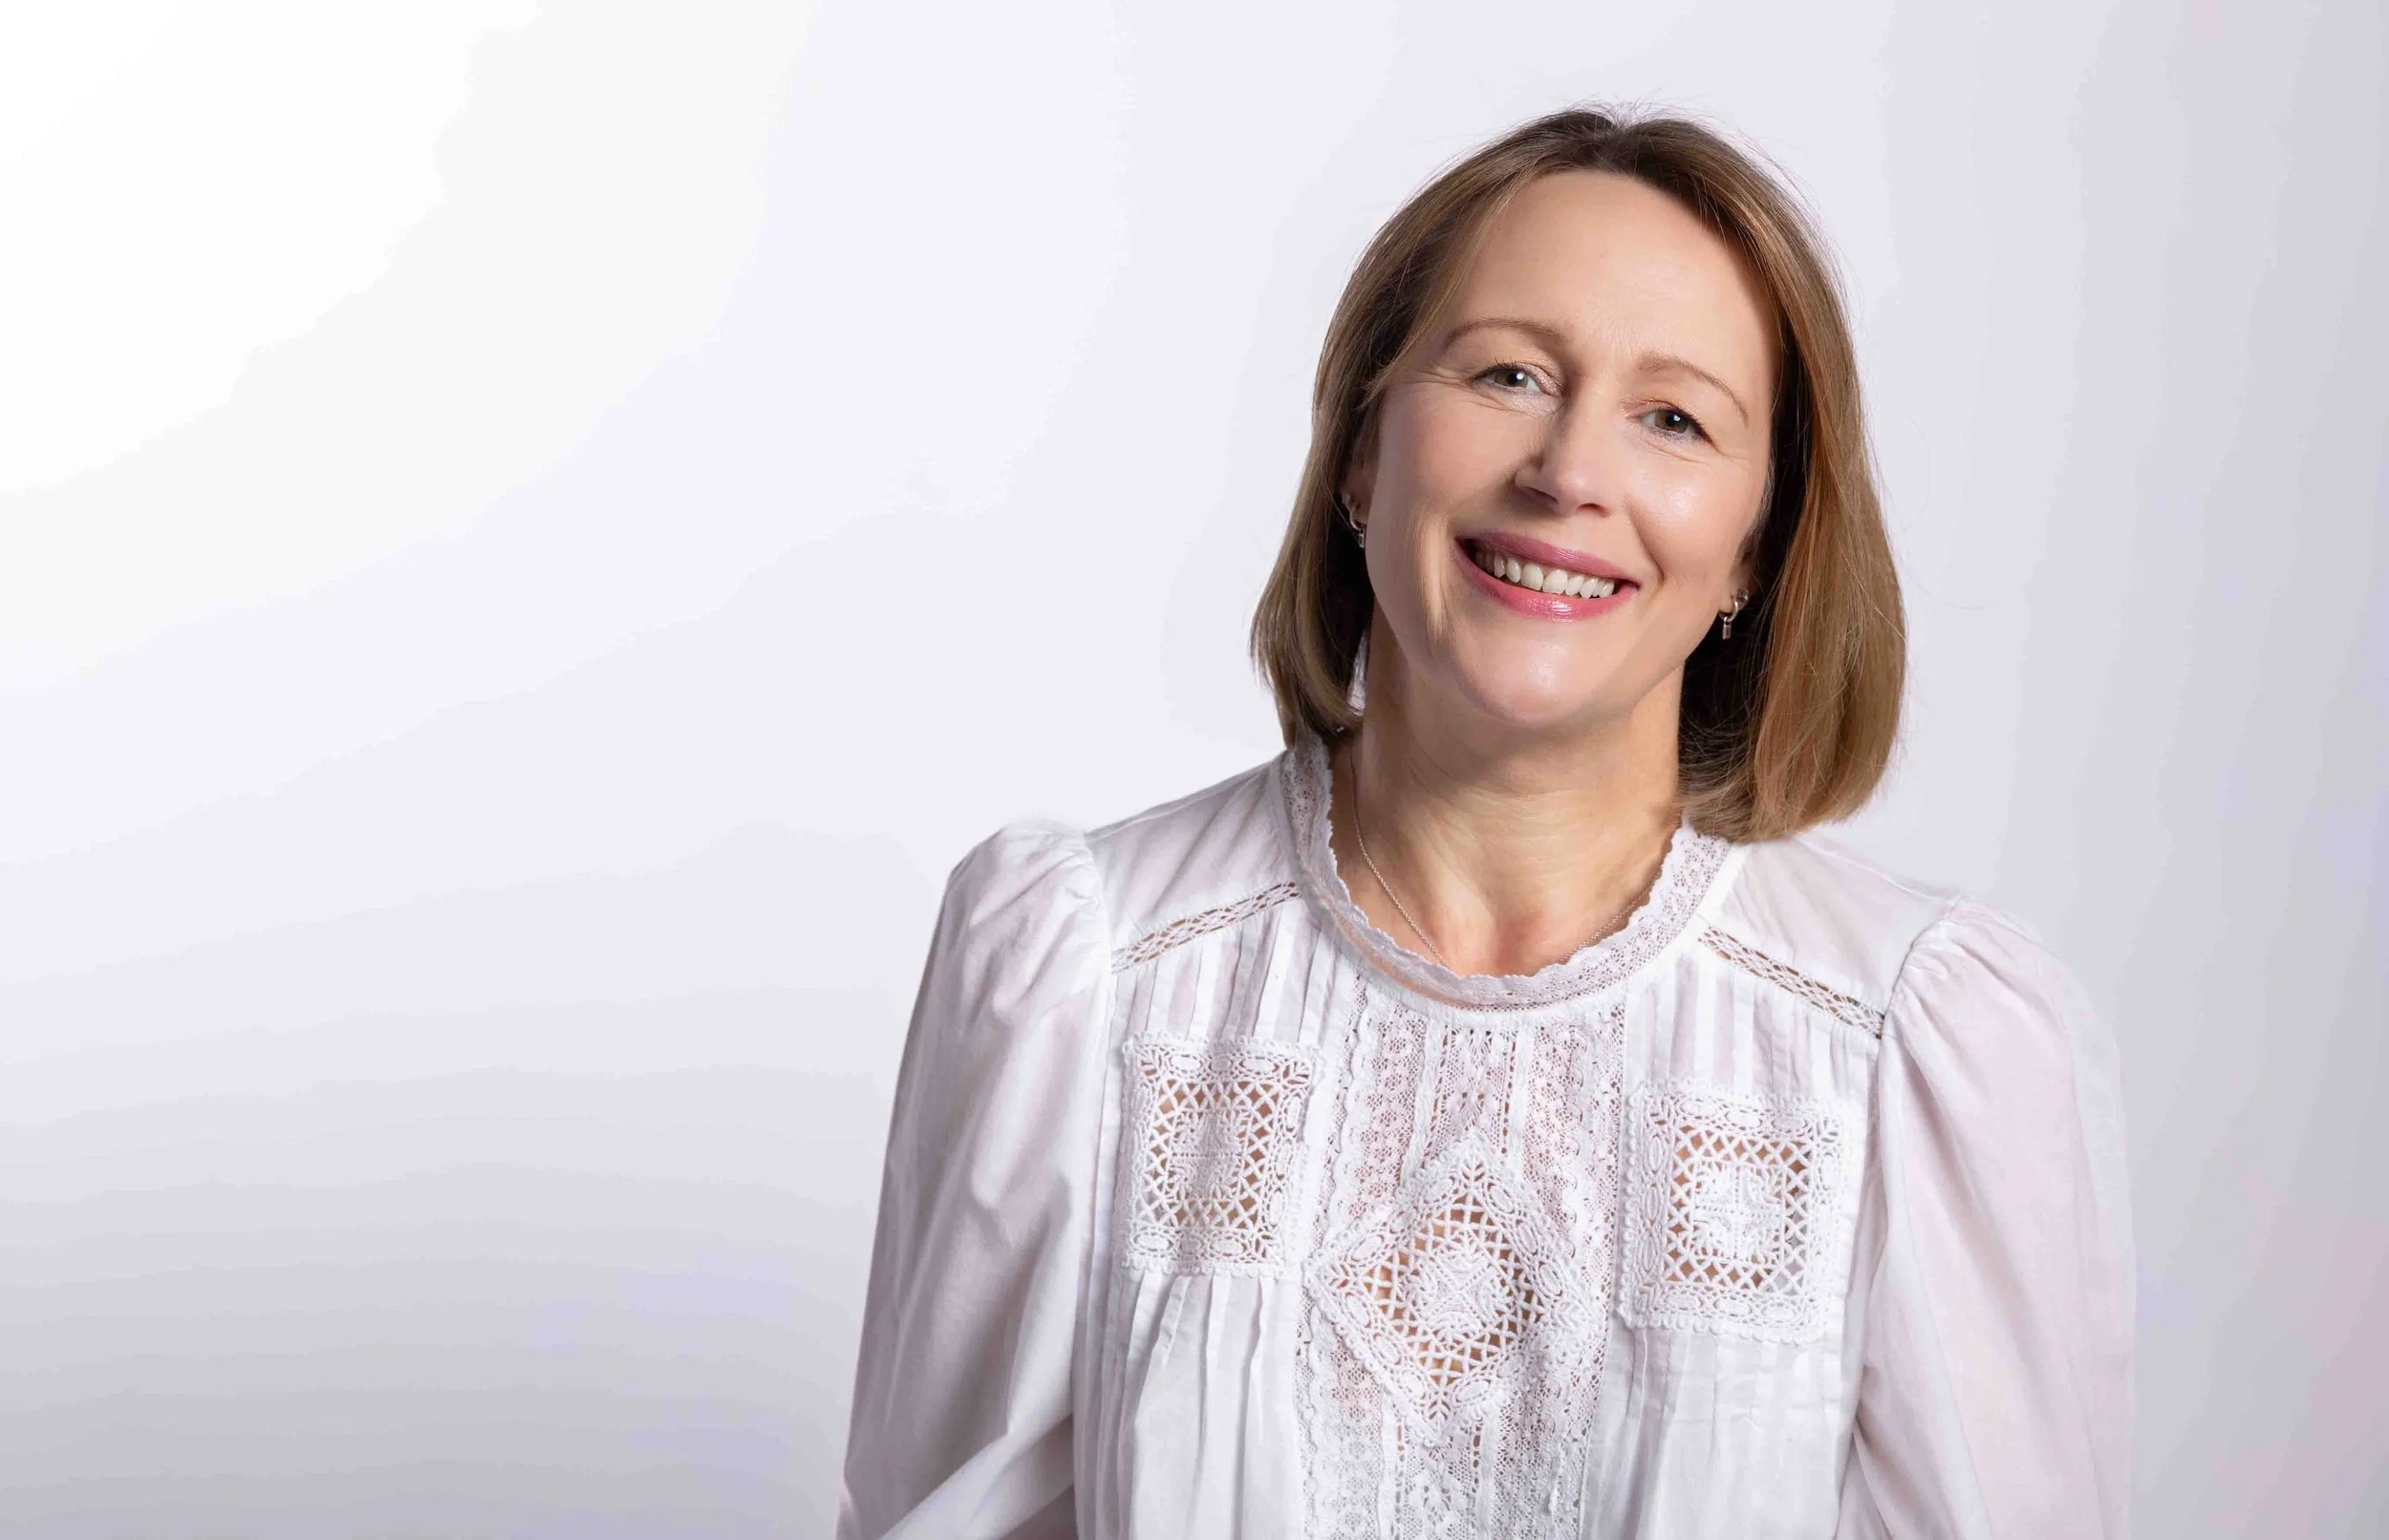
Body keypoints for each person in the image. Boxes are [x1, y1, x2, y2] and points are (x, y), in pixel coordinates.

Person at [833, 104, 2134, 1539]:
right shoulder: (1077, 977)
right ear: (1360, 451)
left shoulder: (1910, 1050)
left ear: (1756, 550)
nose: (1571, 470)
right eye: (1510, 373)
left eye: (1674, 418)